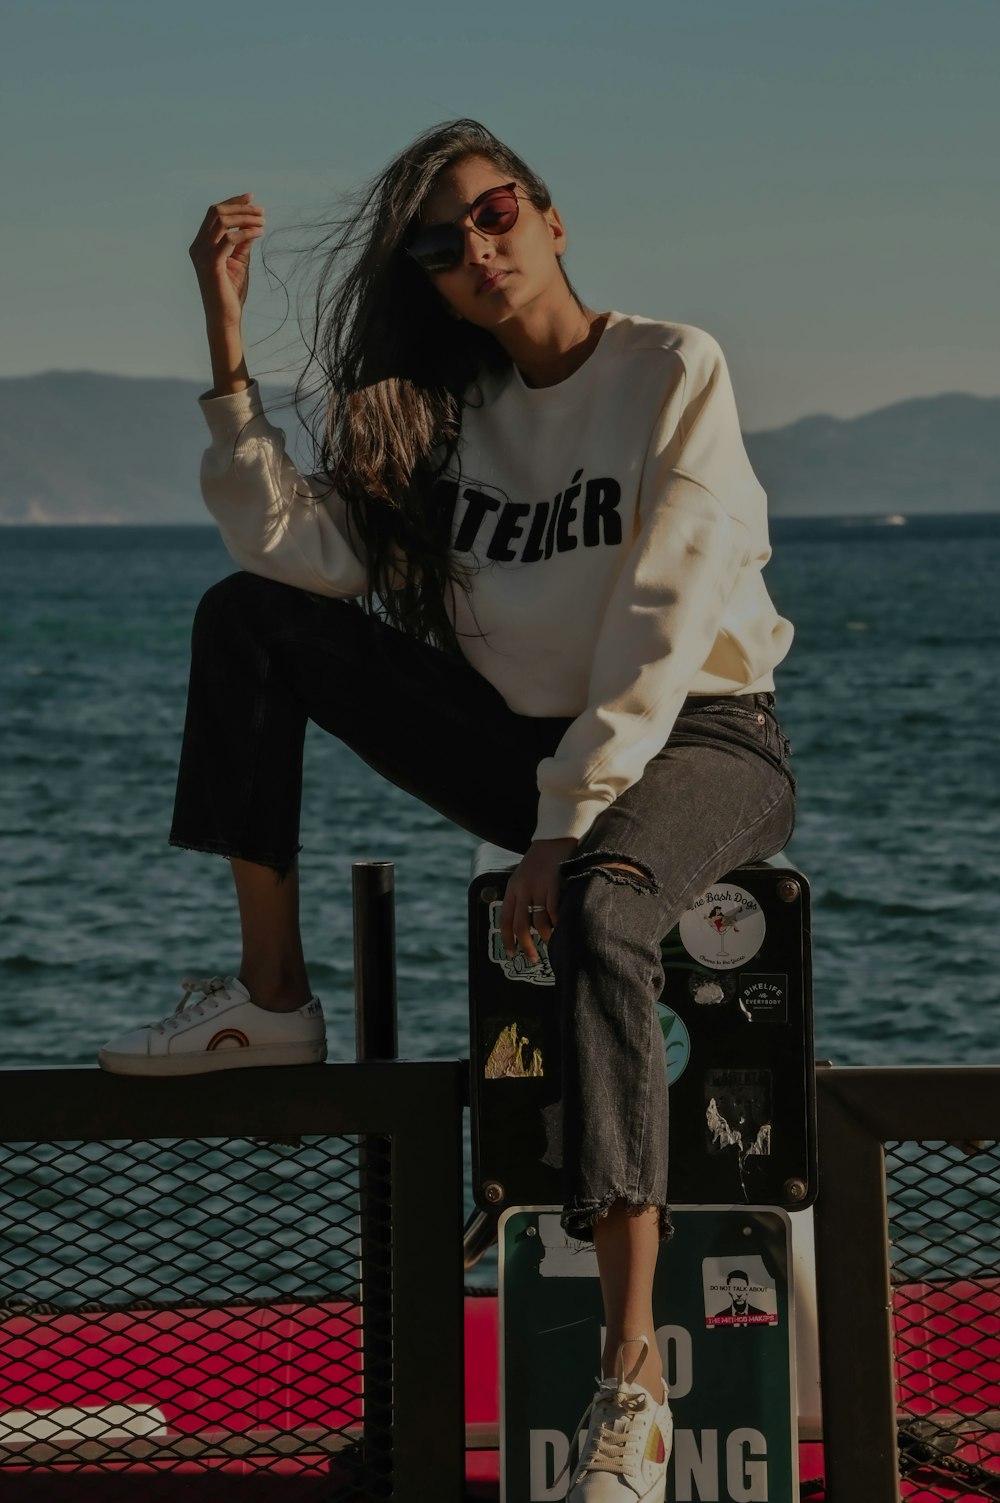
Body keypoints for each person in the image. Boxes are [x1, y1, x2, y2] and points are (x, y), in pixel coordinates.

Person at [99, 118, 796, 1500]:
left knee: (605, 912)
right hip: (530, 749)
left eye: (492, 216)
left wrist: (561, 826)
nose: (476, 252)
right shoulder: (451, 414)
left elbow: (665, 616)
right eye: (440, 244)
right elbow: (301, 557)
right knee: (249, 621)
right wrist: (228, 353)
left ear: (547, 216)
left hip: (702, 734)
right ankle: (271, 991)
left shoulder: (671, 367)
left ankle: (632, 1387)